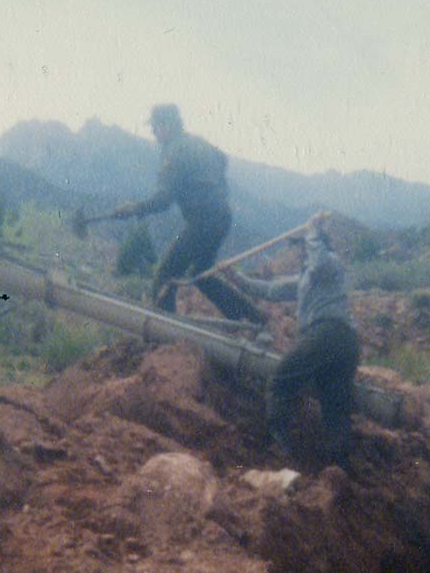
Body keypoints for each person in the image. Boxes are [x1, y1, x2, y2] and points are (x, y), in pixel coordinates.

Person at [112, 104, 261, 323]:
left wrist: (134, 208)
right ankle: (252, 319)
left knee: (165, 277)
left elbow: (164, 199)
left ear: (168, 125)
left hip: (203, 221)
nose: (153, 132)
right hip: (222, 217)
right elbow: (222, 159)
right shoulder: (197, 142)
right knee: (202, 274)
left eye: (155, 127)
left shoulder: (174, 151)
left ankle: (166, 334)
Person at [227, 227, 360, 468]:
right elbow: (269, 290)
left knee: (281, 378)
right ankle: (338, 472)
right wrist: (235, 277)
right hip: (345, 342)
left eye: (301, 249)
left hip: (327, 334)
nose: (298, 254)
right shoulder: (305, 280)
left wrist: (312, 233)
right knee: (334, 406)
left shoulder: (329, 263)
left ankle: (279, 445)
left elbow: (318, 261)